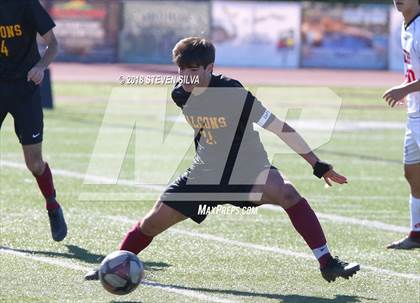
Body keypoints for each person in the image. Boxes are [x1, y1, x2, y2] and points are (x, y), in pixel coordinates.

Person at [85, 37, 359, 282]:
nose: (187, 77)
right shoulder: (179, 93)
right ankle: (112, 267)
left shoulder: (233, 93)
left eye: (193, 71)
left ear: (210, 68)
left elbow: (278, 126)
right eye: (182, 71)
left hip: (247, 169)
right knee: (152, 223)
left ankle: (328, 263)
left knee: (288, 193)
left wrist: (317, 164)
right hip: (206, 173)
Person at [0, 0, 67, 241]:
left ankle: (52, 205)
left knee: (34, 163)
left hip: (24, 89)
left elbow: (53, 45)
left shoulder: (26, 4)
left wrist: (40, 67)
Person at [383, 0, 420, 249]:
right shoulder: (405, 25)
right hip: (414, 112)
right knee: (411, 172)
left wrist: (404, 89)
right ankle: (416, 234)